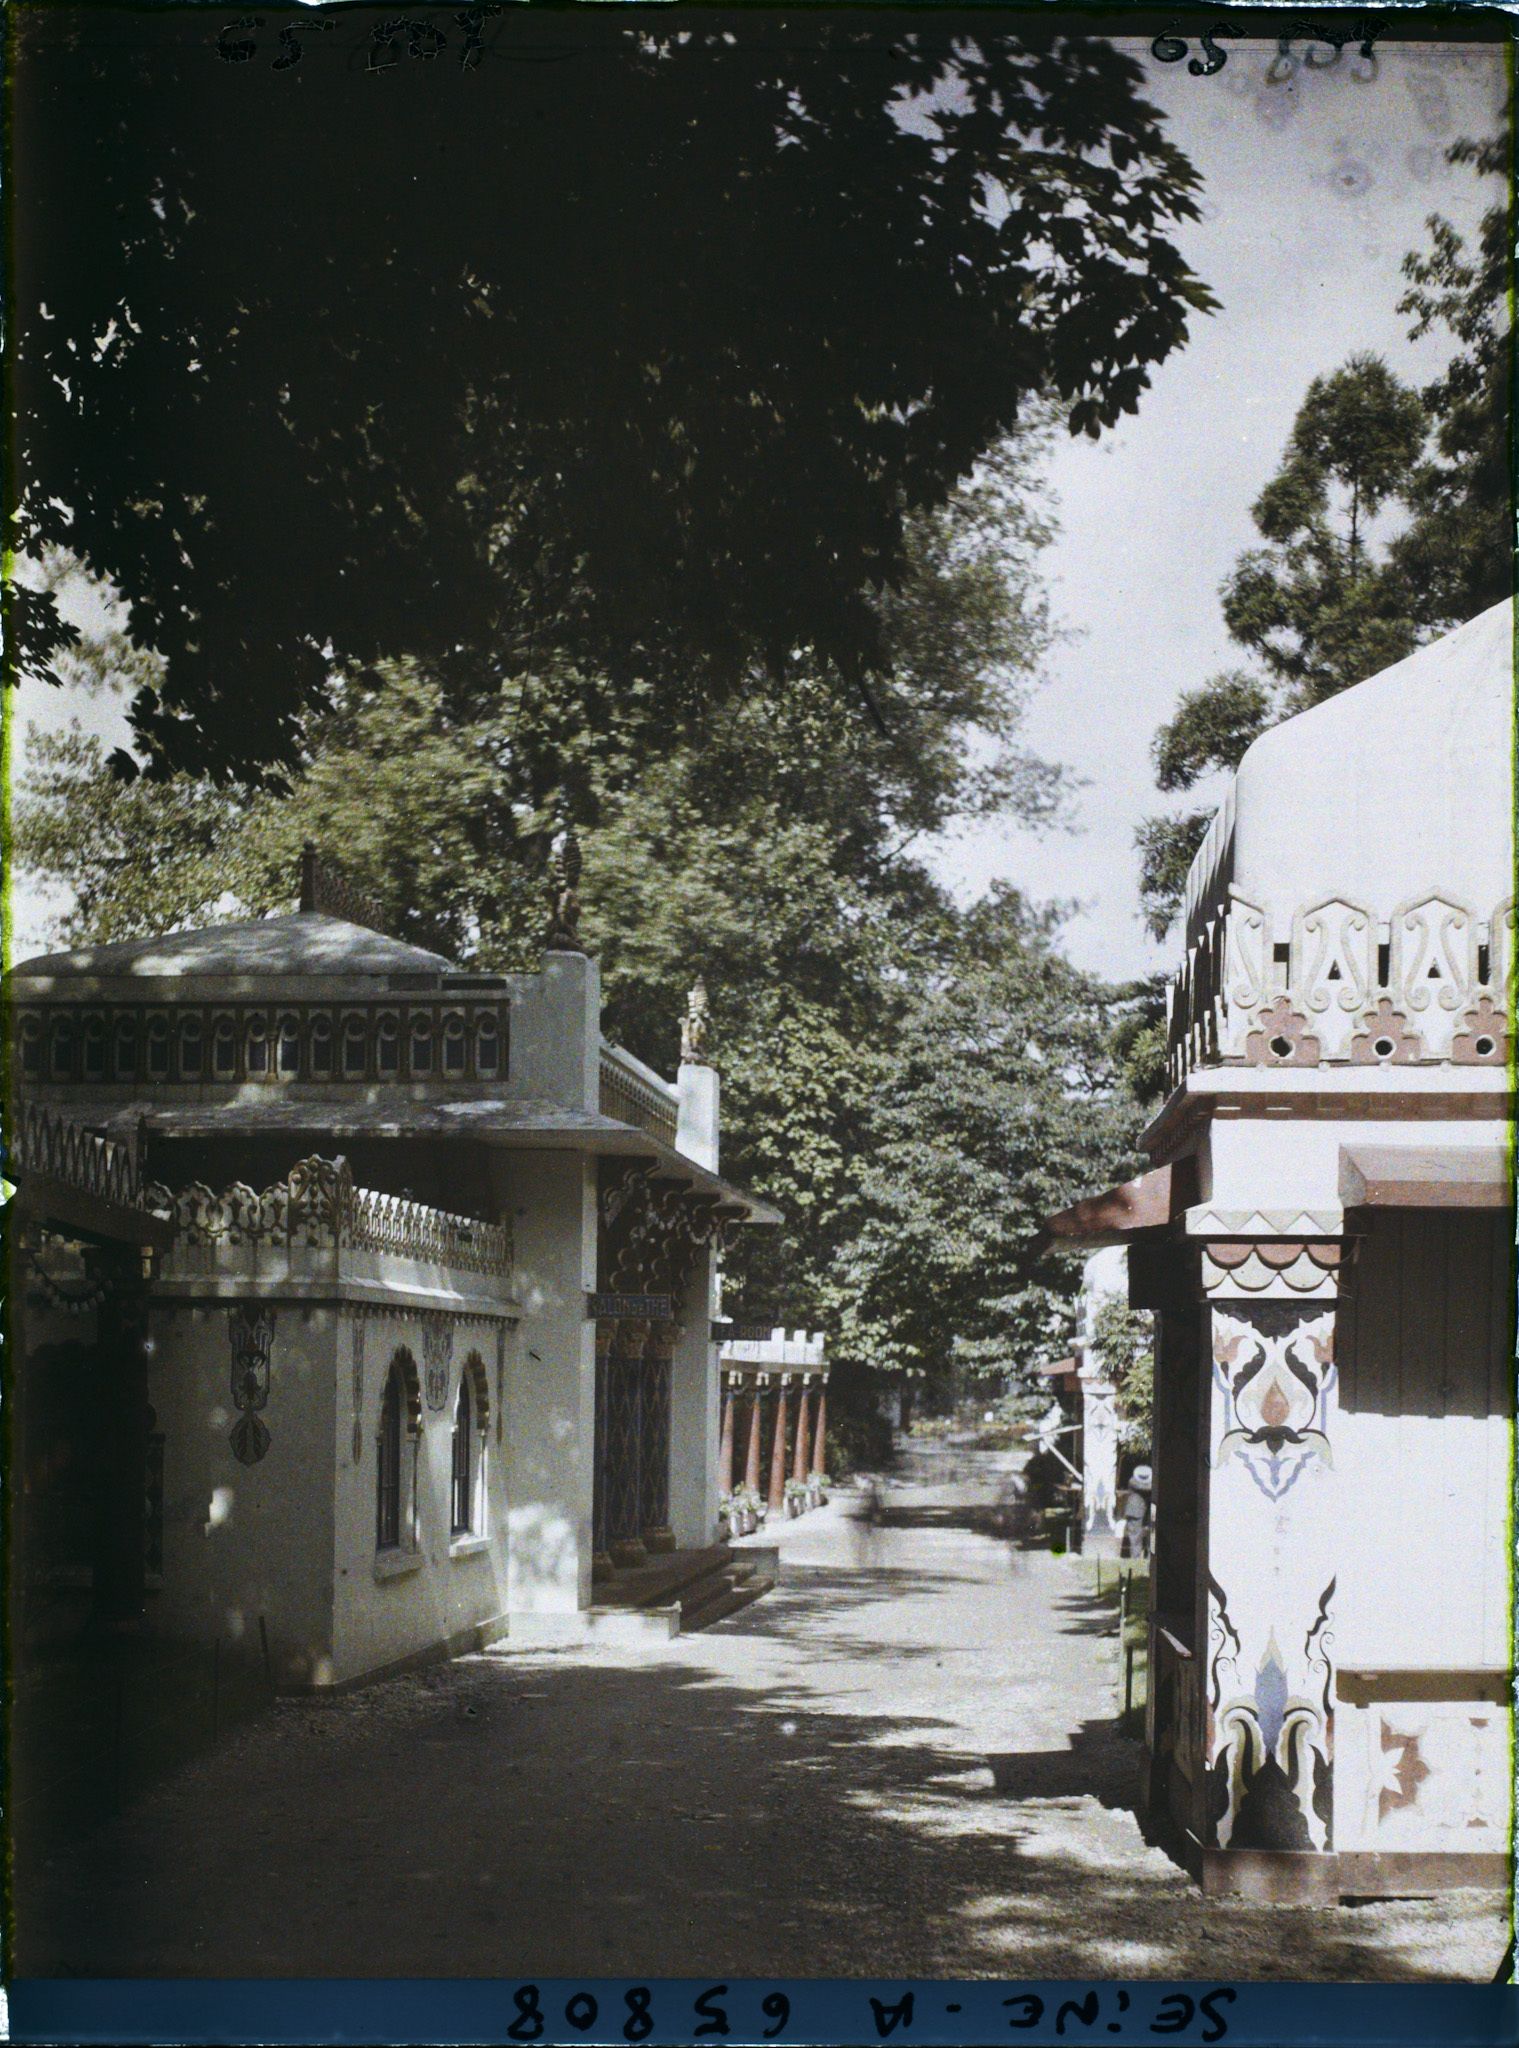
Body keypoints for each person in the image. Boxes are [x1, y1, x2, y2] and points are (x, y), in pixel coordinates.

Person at [1120, 1463, 1152, 1560]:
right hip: (1135, 1512)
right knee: (1135, 1536)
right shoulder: (1133, 1481)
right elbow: (1147, 1488)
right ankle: (1135, 1558)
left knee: (1145, 1535)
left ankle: (1146, 1556)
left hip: (1143, 1511)